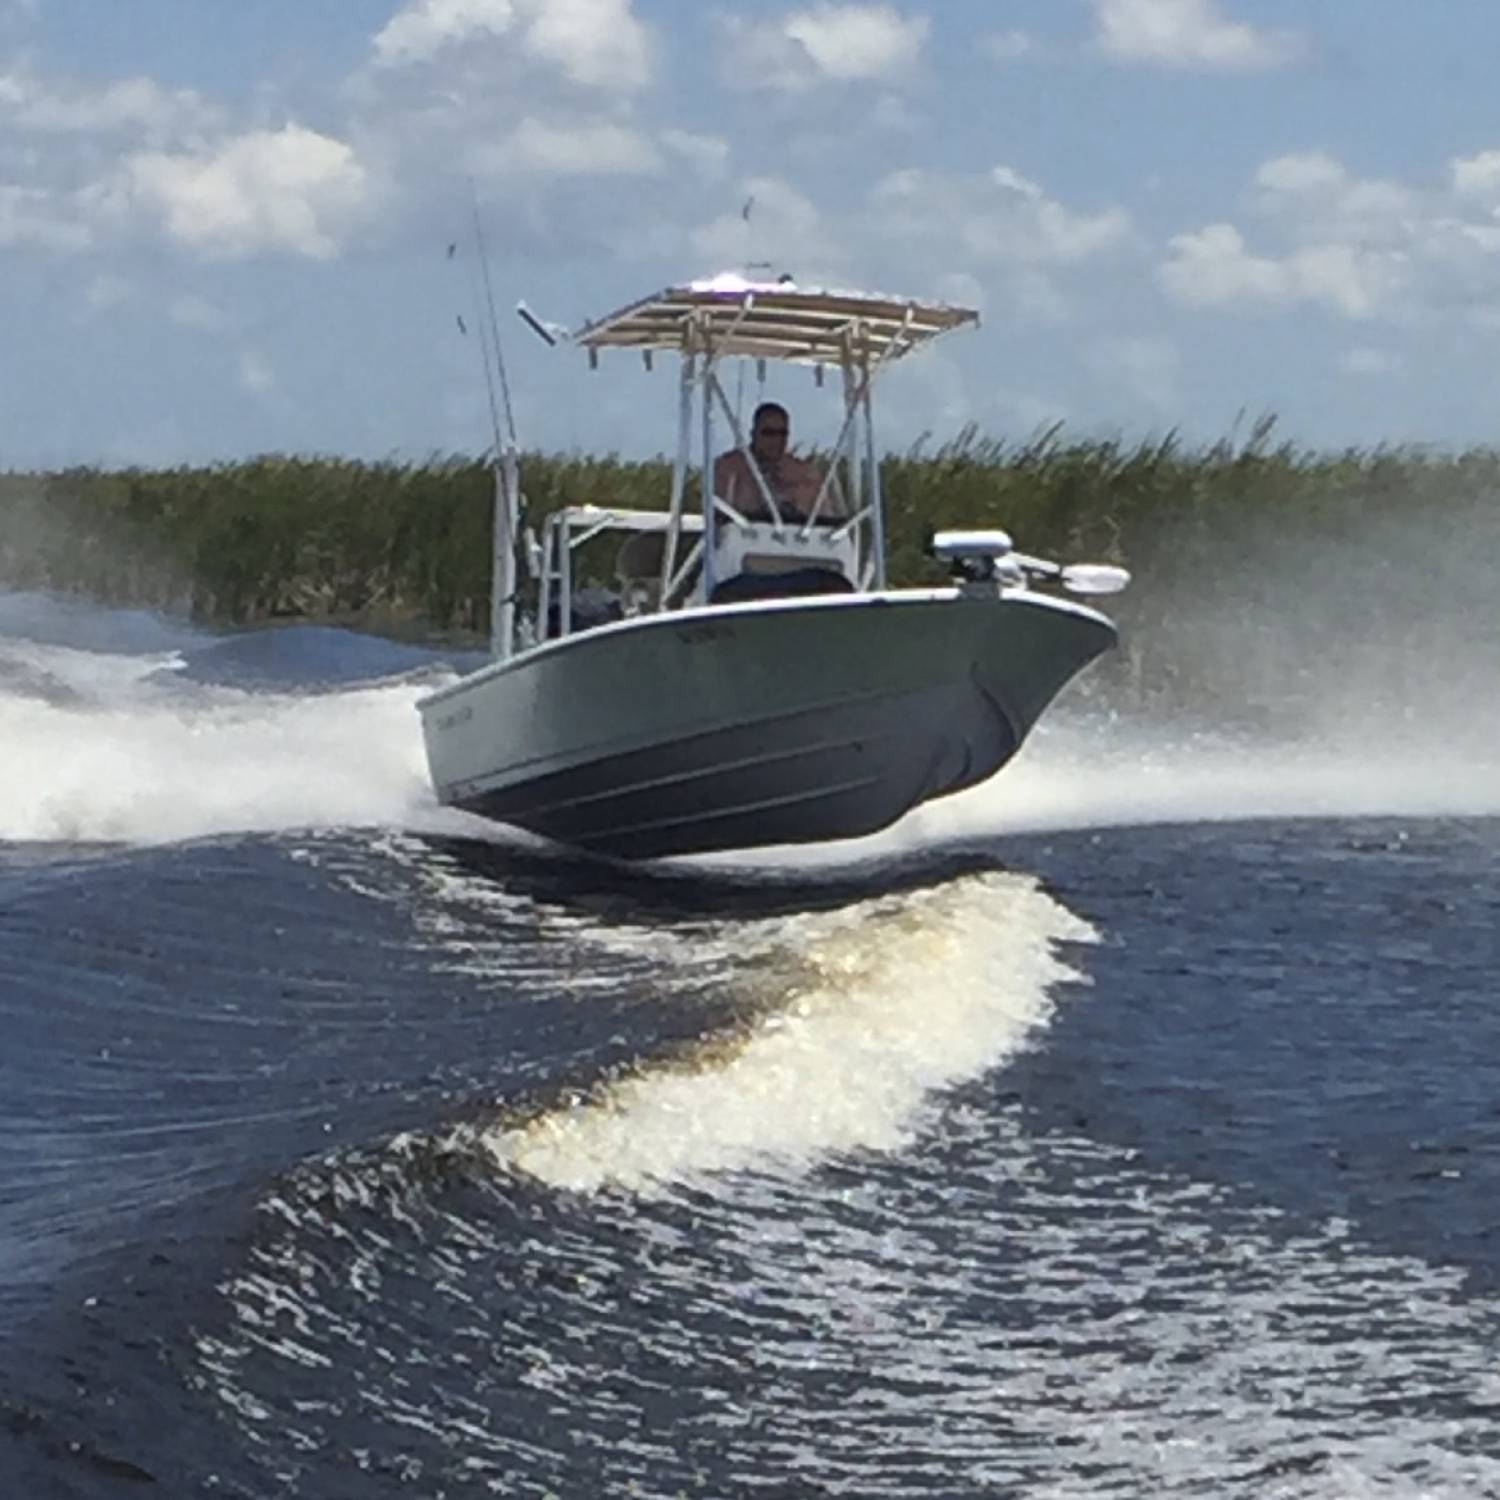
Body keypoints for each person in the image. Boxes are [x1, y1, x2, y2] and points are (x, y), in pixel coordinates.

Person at [713, 401, 840, 522]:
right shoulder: (729, 468)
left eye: (782, 433)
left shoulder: (806, 474)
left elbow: (826, 521)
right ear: (753, 434)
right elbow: (719, 519)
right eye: (769, 433)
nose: (776, 439)